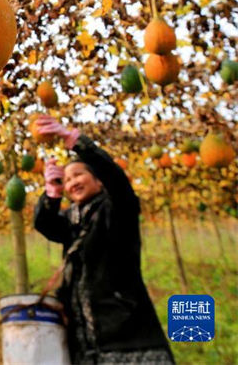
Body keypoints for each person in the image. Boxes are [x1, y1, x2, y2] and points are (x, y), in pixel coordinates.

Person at [32, 115, 174, 365]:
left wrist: (77, 143)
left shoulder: (117, 209)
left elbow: (117, 182)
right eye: (66, 180)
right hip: (85, 343)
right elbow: (44, 225)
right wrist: (51, 195)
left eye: (78, 175)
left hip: (126, 339)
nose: (72, 182)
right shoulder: (72, 221)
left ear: (98, 180)